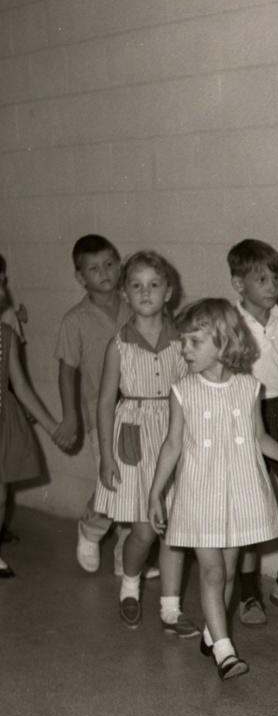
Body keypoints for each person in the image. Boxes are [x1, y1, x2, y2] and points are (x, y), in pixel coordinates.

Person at [148, 299, 278, 680]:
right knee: (213, 572)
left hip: (239, 490)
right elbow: (172, 445)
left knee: (231, 570)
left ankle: (212, 631)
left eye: (194, 342)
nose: (184, 350)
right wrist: (155, 493)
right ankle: (224, 650)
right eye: (182, 342)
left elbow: (259, 438)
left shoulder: (249, 387)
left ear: (223, 343)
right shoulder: (183, 390)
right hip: (199, 492)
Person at [94, 251, 192, 634]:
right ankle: (130, 584)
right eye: (136, 286)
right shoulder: (118, 345)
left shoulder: (183, 342)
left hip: (174, 436)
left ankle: (171, 608)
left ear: (168, 292)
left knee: (175, 528)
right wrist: (106, 456)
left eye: (154, 285)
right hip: (133, 436)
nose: (145, 293)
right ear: (125, 293)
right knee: (145, 530)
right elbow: (104, 402)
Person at [227, 239, 278, 625]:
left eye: (275, 277)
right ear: (239, 284)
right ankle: (248, 591)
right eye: (261, 278)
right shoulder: (231, 325)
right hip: (247, 414)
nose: (272, 284)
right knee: (252, 506)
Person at [54, 234, 131, 574]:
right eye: (94, 268)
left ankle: (128, 560)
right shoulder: (75, 320)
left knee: (139, 487)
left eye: (110, 264)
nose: (105, 273)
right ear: (80, 277)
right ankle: (92, 526)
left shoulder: (137, 306)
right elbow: (66, 371)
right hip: (102, 418)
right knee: (114, 483)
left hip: (143, 413)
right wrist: (70, 416)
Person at [0, 255, 68, 578]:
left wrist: (54, 427)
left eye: (1, 284)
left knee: (0, 495)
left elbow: (23, 388)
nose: (1, 293)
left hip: (3, 419)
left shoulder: (6, 336)